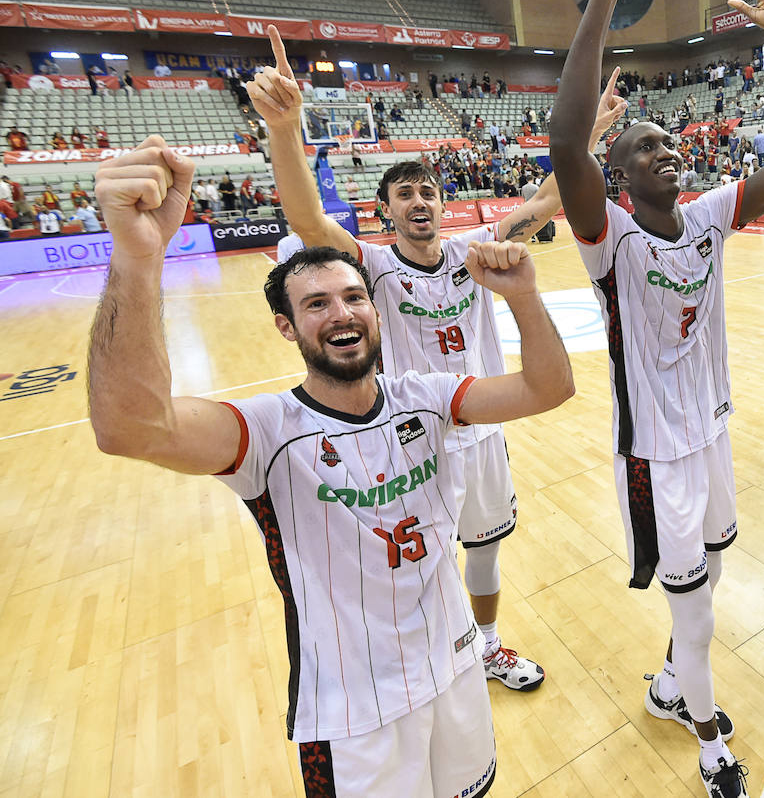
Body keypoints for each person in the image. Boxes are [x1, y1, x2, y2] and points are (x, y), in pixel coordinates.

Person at [86, 137, 573, 798]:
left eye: (352, 298)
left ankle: (489, 643)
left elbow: (546, 389)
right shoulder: (265, 433)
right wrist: (139, 258)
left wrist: (523, 296)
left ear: (376, 307)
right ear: (286, 328)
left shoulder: (428, 397)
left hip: (455, 670)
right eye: (316, 304)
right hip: (356, 714)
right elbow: (129, 426)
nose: (342, 312)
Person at [247, 25, 620, 697]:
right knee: (418, 557)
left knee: (485, 547)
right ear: (385, 211)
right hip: (412, 433)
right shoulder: (376, 265)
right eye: (405, 195)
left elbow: (547, 199)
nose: (419, 202)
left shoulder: (477, 248)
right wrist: (285, 130)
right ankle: (425, 656)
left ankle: (486, 646)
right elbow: (307, 221)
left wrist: (587, 135)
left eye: (428, 192)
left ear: (443, 204)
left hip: (481, 426)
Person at [548, 0, 764, 798]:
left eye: (670, 144)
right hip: (655, 453)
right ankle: (707, 742)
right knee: (698, 612)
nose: (666, 150)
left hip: (710, 434)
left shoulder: (706, 215)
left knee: (704, 582)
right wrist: (601, 0)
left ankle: (672, 685)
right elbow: (564, 148)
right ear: (618, 175)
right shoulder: (610, 235)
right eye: (643, 147)